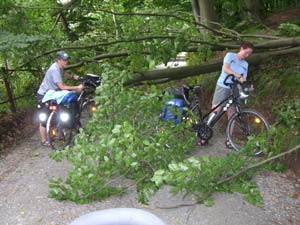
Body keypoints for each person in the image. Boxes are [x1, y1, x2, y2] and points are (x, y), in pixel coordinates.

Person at [200, 42, 254, 147]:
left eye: (249, 54)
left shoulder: (245, 64)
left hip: (234, 90)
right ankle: (204, 135)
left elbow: (244, 79)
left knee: (232, 113)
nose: (247, 56)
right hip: (223, 86)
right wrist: (238, 75)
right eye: (246, 52)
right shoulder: (230, 56)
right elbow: (226, 69)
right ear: (241, 48)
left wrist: (248, 86)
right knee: (216, 109)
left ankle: (229, 140)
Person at [36, 51, 84, 146]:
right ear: (58, 60)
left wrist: (73, 77)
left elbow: (64, 74)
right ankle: (44, 140)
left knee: (59, 112)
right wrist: (77, 87)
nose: (66, 62)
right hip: (44, 95)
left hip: (53, 94)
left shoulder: (59, 67)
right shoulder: (54, 69)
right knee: (44, 119)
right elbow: (62, 86)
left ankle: (58, 133)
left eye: (67, 60)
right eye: (64, 60)